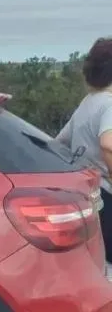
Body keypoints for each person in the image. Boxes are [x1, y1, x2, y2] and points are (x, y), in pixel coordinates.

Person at [56, 37, 112, 262]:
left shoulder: (89, 102)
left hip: (92, 197)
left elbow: (59, 143)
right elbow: (108, 144)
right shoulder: (110, 103)